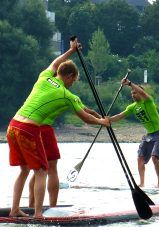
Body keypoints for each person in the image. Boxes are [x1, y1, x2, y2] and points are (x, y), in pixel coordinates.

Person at [6, 39, 110, 218]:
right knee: (41, 171)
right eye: (73, 81)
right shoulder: (65, 94)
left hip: (12, 126)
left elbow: (55, 62)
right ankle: (38, 214)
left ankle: (14, 209)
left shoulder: (44, 77)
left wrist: (71, 51)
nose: (72, 84)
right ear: (69, 76)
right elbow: (85, 117)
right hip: (28, 130)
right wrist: (102, 122)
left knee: (24, 170)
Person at [110, 78, 159, 188]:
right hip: (149, 135)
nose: (133, 94)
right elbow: (120, 116)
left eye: (135, 92)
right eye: (131, 93)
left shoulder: (148, 101)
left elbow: (142, 92)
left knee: (155, 158)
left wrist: (130, 84)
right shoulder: (132, 107)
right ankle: (141, 183)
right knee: (140, 158)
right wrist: (107, 120)